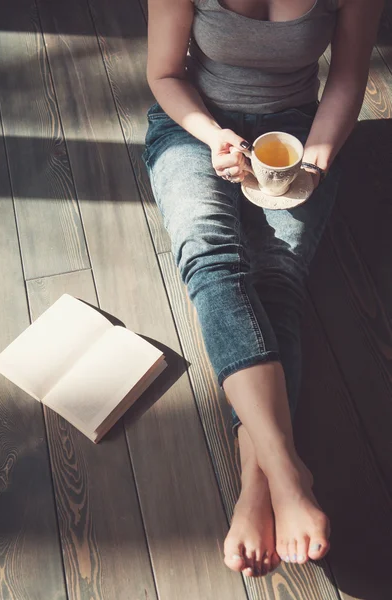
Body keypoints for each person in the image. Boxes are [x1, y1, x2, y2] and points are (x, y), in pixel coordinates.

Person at [143, 0, 383, 578]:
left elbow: (348, 76)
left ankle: (255, 485)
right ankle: (283, 469)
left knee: (277, 277)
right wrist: (213, 136)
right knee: (210, 258)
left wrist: (316, 162)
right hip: (195, 125)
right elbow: (164, 73)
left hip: (299, 130)